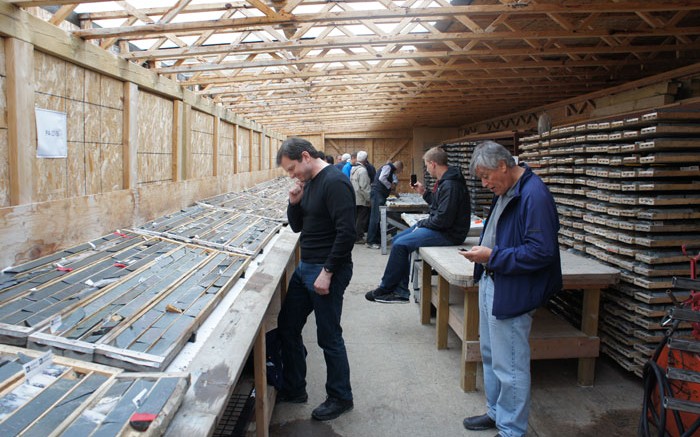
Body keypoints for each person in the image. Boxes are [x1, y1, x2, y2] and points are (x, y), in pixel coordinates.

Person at [459, 141, 562, 437]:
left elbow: (542, 252)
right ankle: (496, 412)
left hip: (513, 288)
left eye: (486, 176)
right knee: (491, 355)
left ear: (503, 165)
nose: (484, 183)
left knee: (511, 363)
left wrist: (493, 256)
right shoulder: (507, 189)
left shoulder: (534, 195)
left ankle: (512, 430)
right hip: (495, 280)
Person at [275, 138, 356, 421]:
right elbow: (298, 226)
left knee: (329, 336)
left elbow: (348, 233)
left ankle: (340, 397)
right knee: (287, 326)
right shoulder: (308, 183)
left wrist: (328, 272)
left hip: (326, 269)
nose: (292, 174)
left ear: (306, 156)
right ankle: (296, 388)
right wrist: (293, 202)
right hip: (306, 266)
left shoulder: (334, 182)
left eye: (292, 168)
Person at [365, 147, 471, 303]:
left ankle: (388, 289)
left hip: (449, 233)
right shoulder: (446, 182)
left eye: (427, 165)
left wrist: (422, 223)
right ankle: (399, 290)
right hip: (443, 228)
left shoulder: (451, 185)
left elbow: (443, 220)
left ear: (433, 164)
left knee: (401, 244)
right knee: (397, 240)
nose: (427, 169)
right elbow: (438, 206)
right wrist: (424, 192)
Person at [365, 160, 403, 249]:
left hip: (379, 194)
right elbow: (382, 178)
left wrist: (392, 190)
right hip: (377, 194)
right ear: (399, 167)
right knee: (375, 218)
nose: (398, 172)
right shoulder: (388, 167)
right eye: (400, 170)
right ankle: (370, 241)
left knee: (377, 218)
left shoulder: (389, 168)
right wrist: (390, 186)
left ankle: (377, 240)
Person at [350, 151, 371, 243]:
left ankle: (356, 236)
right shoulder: (362, 171)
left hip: (354, 196)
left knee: (357, 218)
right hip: (361, 198)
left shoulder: (353, 169)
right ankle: (358, 237)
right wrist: (369, 199)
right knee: (361, 219)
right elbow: (364, 187)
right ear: (365, 160)